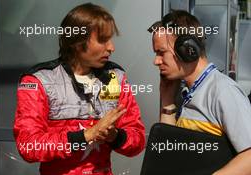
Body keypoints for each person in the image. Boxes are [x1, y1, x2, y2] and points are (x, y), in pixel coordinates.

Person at [14, 3, 145, 175]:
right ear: (77, 42)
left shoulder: (115, 77)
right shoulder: (39, 80)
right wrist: (86, 136)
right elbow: (29, 146)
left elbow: (138, 140)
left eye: (110, 39)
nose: (111, 47)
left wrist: (114, 136)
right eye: (103, 40)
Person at [148, 10, 251, 174]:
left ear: (187, 49)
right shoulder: (183, 92)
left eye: (161, 52)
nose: (156, 61)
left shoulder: (223, 91)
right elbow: (170, 152)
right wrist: (167, 100)